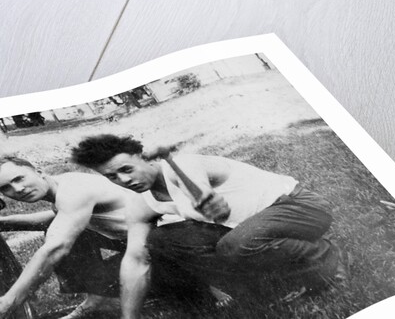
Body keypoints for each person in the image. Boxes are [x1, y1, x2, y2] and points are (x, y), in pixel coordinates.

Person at [72, 135, 345, 316]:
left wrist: (206, 197)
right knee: (161, 240)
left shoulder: (183, 164)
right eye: (112, 177)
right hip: (251, 230)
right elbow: (135, 259)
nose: (123, 180)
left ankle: (326, 256)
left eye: (127, 169)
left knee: (235, 245)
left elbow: (197, 183)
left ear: (144, 157)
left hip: (299, 208)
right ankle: (265, 285)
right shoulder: (141, 204)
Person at [0, 155, 231, 319]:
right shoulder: (61, 187)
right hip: (138, 239)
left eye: (19, 178)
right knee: (58, 229)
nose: (17, 189)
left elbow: (54, 249)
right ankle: (98, 300)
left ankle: (211, 284)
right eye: (6, 188)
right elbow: (54, 217)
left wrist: (9, 300)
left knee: (58, 240)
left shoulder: (73, 191)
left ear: (38, 171)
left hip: (175, 238)